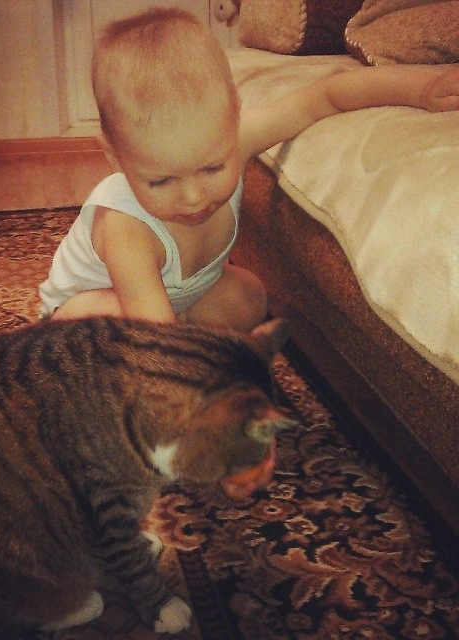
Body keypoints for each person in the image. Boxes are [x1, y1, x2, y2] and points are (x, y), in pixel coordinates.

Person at [39, 8, 459, 492]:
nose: (193, 197)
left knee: (248, 297)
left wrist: (421, 89)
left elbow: (323, 97)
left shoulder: (233, 142)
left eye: (212, 168)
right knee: (117, 337)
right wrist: (230, 439)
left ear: (234, 118)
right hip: (86, 324)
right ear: (115, 156)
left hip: (171, 307)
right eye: (160, 181)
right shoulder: (125, 228)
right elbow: (163, 352)